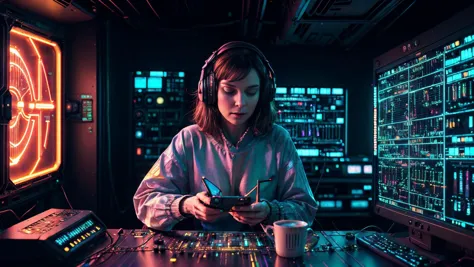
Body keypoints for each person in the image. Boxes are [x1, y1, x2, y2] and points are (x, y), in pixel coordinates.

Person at [133, 41, 318, 231]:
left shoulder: (279, 139)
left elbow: (305, 209)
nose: (241, 102)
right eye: (229, 91)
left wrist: (270, 211)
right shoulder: (189, 139)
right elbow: (144, 202)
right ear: (210, 91)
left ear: (263, 95)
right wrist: (187, 205)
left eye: (251, 92)